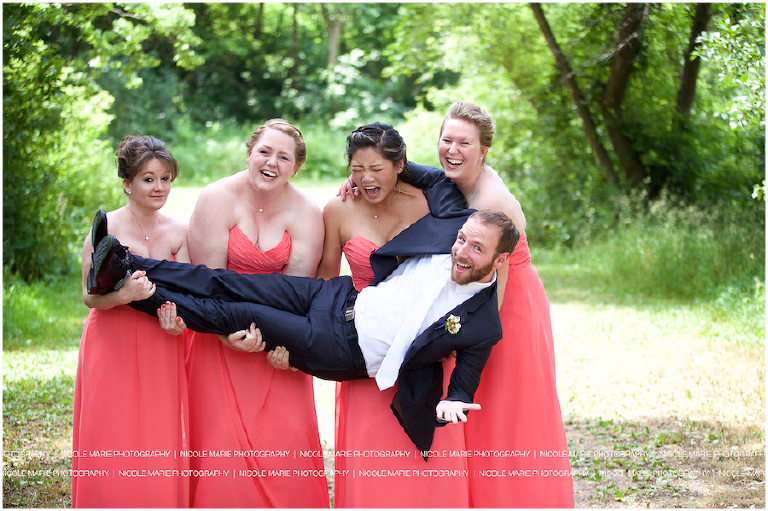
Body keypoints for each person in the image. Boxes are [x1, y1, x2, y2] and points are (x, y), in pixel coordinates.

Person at [89, 209, 519, 455]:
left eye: (475, 249)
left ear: (499, 260)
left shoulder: (483, 325)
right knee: (229, 281)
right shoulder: (451, 233)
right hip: (334, 298)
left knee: (234, 311)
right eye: (462, 240)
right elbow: (429, 172)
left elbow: (463, 390)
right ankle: (126, 261)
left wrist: (451, 405)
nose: (460, 251)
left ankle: (132, 292)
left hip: (337, 348)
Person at [314, 123, 474, 507]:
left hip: (424, 347)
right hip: (363, 344)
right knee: (373, 459)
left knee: (428, 457)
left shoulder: (428, 204)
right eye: (357, 169)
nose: (366, 178)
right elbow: (324, 281)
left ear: (400, 165)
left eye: (376, 168)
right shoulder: (338, 209)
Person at [430, 102, 575, 507]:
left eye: (465, 143)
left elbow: (496, 290)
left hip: (508, 305)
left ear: (484, 150)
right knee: (482, 412)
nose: (452, 150)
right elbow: (420, 177)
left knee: (510, 413)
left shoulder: (492, 202)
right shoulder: (457, 179)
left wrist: (469, 338)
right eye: (447, 140)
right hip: (486, 295)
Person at [181, 119, 328, 507]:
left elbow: (296, 294)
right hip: (217, 337)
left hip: (278, 346)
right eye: (264, 151)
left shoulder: (307, 213)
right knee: (221, 454)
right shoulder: (217, 198)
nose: (272, 162)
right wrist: (226, 332)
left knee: (286, 445)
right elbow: (208, 283)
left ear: (295, 168)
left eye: (284, 157)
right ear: (249, 153)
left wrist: (285, 343)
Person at [72, 135, 190, 507]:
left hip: (162, 340)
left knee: (158, 430)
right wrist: (124, 296)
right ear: (127, 183)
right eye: (148, 179)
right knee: (113, 429)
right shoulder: (105, 228)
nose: (160, 187)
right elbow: (89, 295)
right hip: (113, 339)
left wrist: (178, 322)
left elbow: (188, 292)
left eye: (166, 178)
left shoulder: (178, 231)